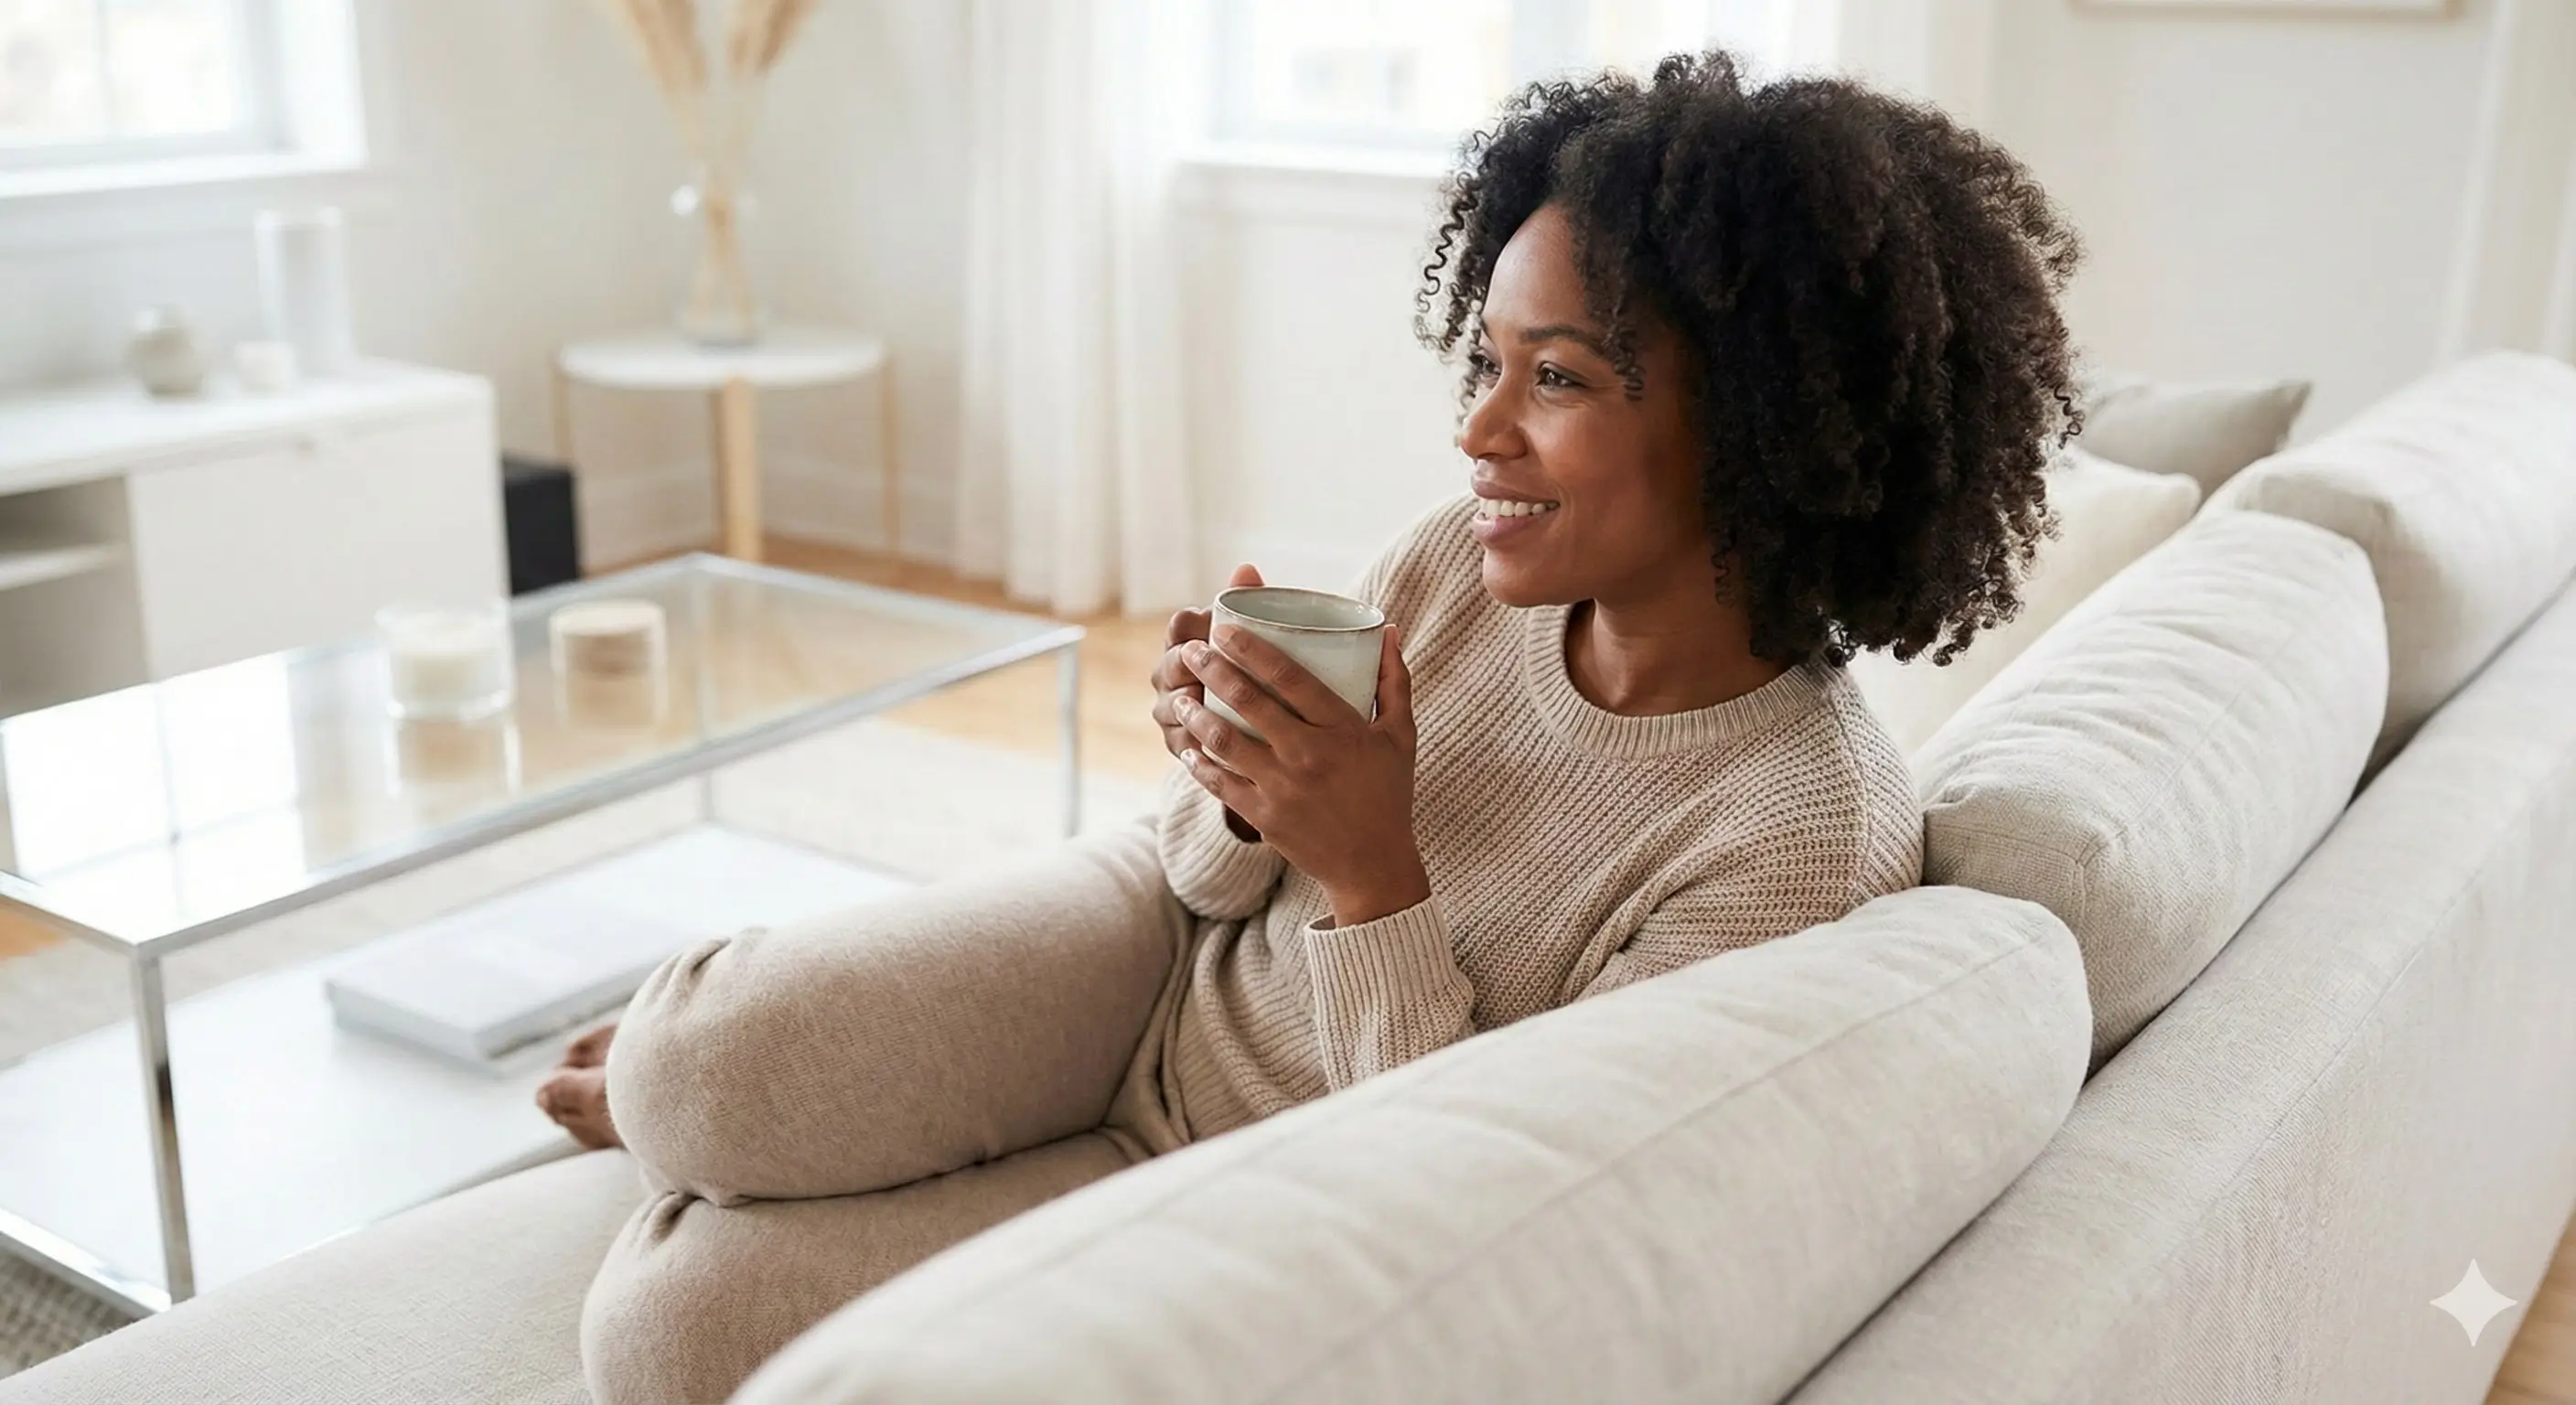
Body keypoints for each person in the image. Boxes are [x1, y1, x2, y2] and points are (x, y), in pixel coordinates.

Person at [542, 50, 2080, 1402]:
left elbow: (1481, 1210)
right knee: (701, 1059)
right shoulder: (1458, 572)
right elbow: (1205, 892)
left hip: (1271, 1208)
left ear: (1756, 433)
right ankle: (706, 1122)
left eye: (1557, 378)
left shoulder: (1798, 840)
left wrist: (1369, 870)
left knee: (673, 1334)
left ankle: (746, 1163)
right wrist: (1235, 780)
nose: (1480, 431)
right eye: (1486, 362)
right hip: (1150, 990)